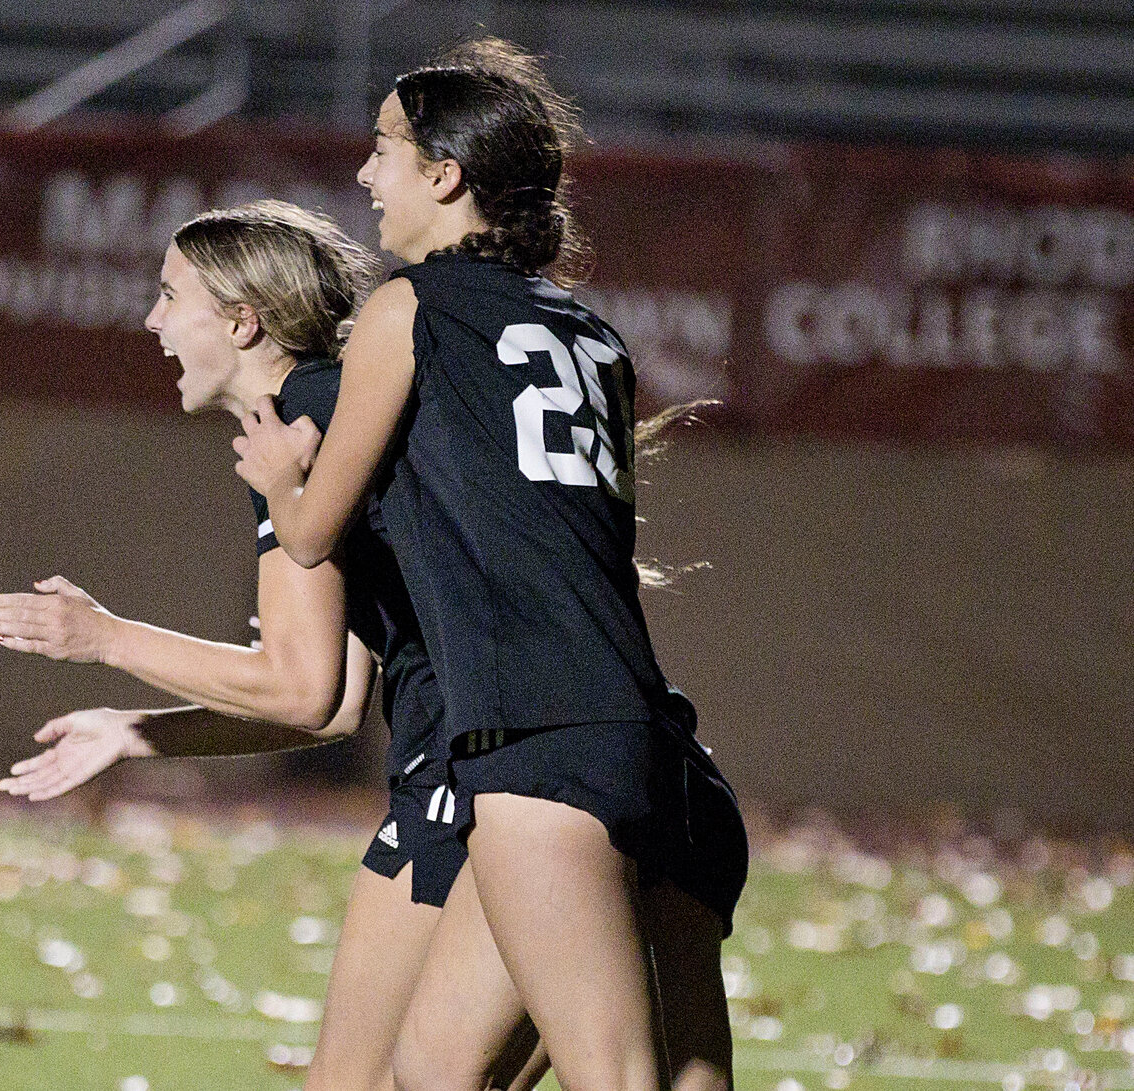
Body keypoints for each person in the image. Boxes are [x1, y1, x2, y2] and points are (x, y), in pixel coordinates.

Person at [234, 40, 748, 1091]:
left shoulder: (407, 309)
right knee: (433, 1066)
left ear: (444, 175)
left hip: (539, 745)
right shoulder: (594, 336)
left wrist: (282, 471)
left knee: (612, 1070)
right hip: (631, 734)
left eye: (384, 150)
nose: (367, 175)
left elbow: (314, 535)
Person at [0, 201, 546, 1091]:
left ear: (242, 321)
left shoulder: (303, 424)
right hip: (546, 760)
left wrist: (103, 635)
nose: (152, 321)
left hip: (475, 769)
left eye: (170, 297)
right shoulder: (327, 407)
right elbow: (338, 705)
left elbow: (300, 688)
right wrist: (141, 732)